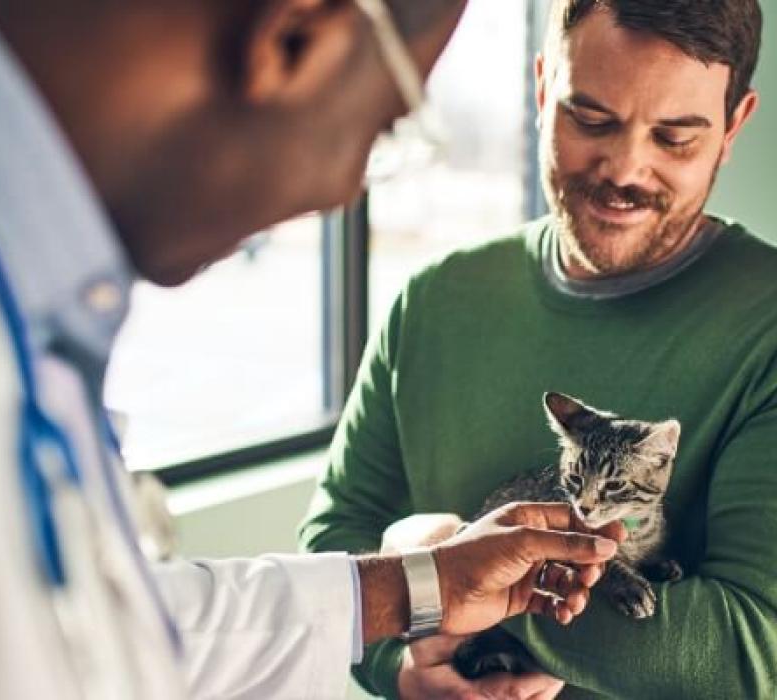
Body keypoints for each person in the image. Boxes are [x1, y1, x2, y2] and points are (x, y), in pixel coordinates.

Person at [0, 0, 625, 698]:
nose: (341, 191)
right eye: (378, 129)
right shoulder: (439, 296)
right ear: (294, 39)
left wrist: (420, 586)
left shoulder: (34, 318)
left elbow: (130, 631)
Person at [300, 0, 777, 698]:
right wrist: (403, 672)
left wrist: (439, 583)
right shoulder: (433, 300)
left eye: (675, 137)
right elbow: (331, 545)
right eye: (591, 120)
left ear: (734, 126)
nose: (625, 170)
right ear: (542, 85)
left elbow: (750, 652)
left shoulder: (765, 326)